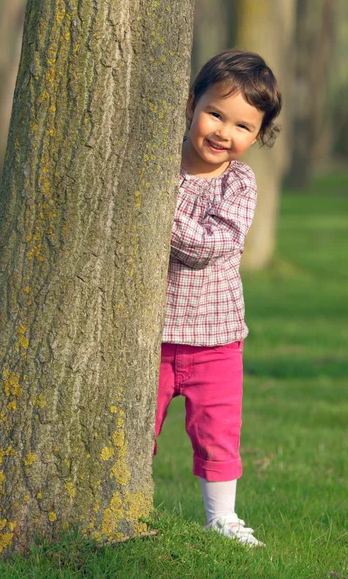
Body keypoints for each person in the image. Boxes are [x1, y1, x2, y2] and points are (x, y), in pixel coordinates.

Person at [155, 50, 282, 547]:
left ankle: (222, 517)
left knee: (218, 432)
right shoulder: (158, 166)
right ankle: (124, 504)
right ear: (191, 104)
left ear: (257, 136)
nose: (224, 132)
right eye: (215, 113)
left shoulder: (239, 182)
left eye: (243, 126)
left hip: (216, 339)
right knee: (135, 426)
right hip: (151, 336)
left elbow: (213, 246)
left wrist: (156, 211)